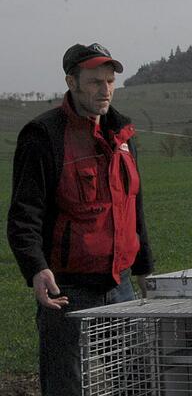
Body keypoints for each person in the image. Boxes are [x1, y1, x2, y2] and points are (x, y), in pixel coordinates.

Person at [6, 42, 154, 396]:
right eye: (94, 82)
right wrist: (36, 268)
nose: (105, 90)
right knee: (66, 384)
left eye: (109, 81)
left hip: (120, 285)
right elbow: (24, 214)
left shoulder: (122, 135)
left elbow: (134, 204)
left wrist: (145, 266)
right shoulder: (44, 136)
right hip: (67, 290)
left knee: (137, 381)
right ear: (71, 82)